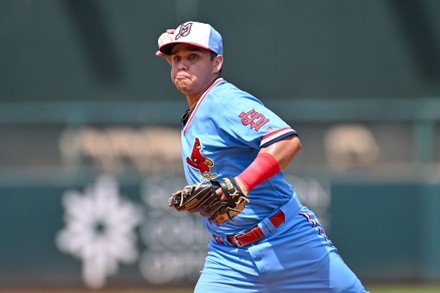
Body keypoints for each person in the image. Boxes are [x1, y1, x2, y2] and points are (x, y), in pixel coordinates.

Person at [156, 21, 368, 293]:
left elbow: (287, 141)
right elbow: (185, 63)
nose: (182, 65)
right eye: (176, 58)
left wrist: (241, 183)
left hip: (288, 241)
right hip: (229, 258)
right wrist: (176, 48)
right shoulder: (200, 104)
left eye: (193, 57)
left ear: (217, 62)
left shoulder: (224, 101)